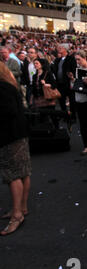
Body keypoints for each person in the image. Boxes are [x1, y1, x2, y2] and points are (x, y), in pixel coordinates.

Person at [0, 62, 31, 235]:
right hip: (18, 133)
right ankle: (21, 207)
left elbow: (8, 111)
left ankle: (17, 214)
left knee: (13, 175)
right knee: (23, 171)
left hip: (9, 136)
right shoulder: (10, 85)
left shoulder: (3, 88)